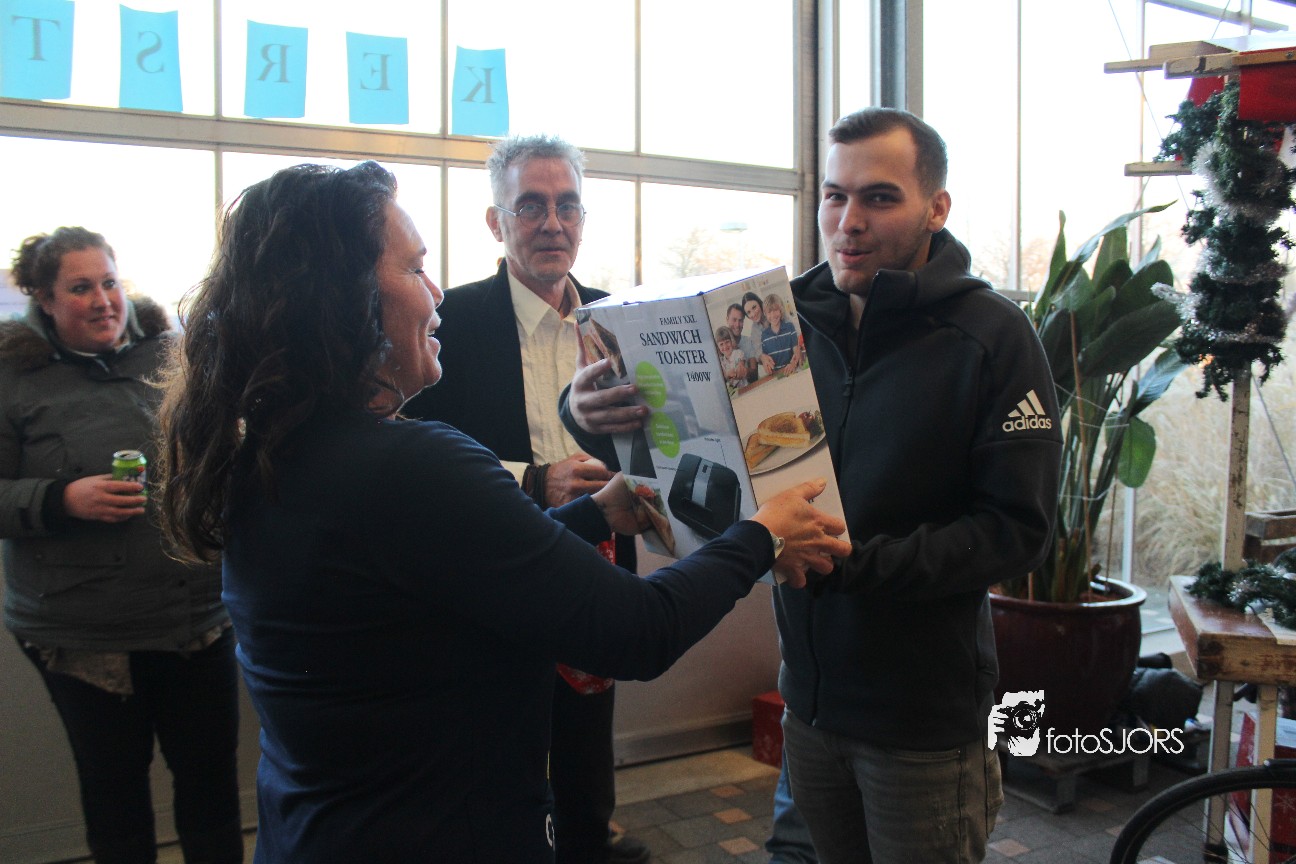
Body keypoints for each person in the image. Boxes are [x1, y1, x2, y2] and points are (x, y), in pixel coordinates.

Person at [155, 160, 851, 864]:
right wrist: (760, 536)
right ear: (343, 300)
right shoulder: (413, 464)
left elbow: (450, 575)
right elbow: (638, 630)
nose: (435, 292)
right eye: (414, 269)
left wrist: (594, 515)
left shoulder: (272, 451)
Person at [561, 107, 1062, 863]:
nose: (848, 221)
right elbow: (702, 453)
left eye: (879, 198)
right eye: (835, 196)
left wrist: (849, 564)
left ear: (936, 207)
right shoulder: (780, 324)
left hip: (921, 722)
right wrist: (588, 416)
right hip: (809, 704)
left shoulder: (991, 336)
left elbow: (1016, 531)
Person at [400, 133, 649, 864]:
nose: (552, 224)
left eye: (568, 206)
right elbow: (414, 452)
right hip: (489, 573)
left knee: (586, 741)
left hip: (598, 558)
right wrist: (534, 479)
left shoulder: (620, 320)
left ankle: (588, 842)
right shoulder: (447, 321)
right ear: (495, 221)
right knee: (493, 747)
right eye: (531, 207)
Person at [0, 228, 242, 864]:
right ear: (44, 299)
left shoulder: (172, 355)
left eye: (110, 282)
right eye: (81, 288)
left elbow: (227, 451)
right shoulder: (13, 378)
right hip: (85, 637)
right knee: (116, 799)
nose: (104, 300)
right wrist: (60, 499)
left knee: (212, 791)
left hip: (198, 620)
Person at [759, 294, 802, 375]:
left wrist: (793, 364)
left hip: (793, 371)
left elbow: (796, 350)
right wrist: (768, 367)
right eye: (769, 312)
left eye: (775, 310)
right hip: (777, 375)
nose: (773, 315)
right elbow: (767, 360)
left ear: (781, 310)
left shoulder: (790, 327)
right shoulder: (764, 335)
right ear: (765, 314)